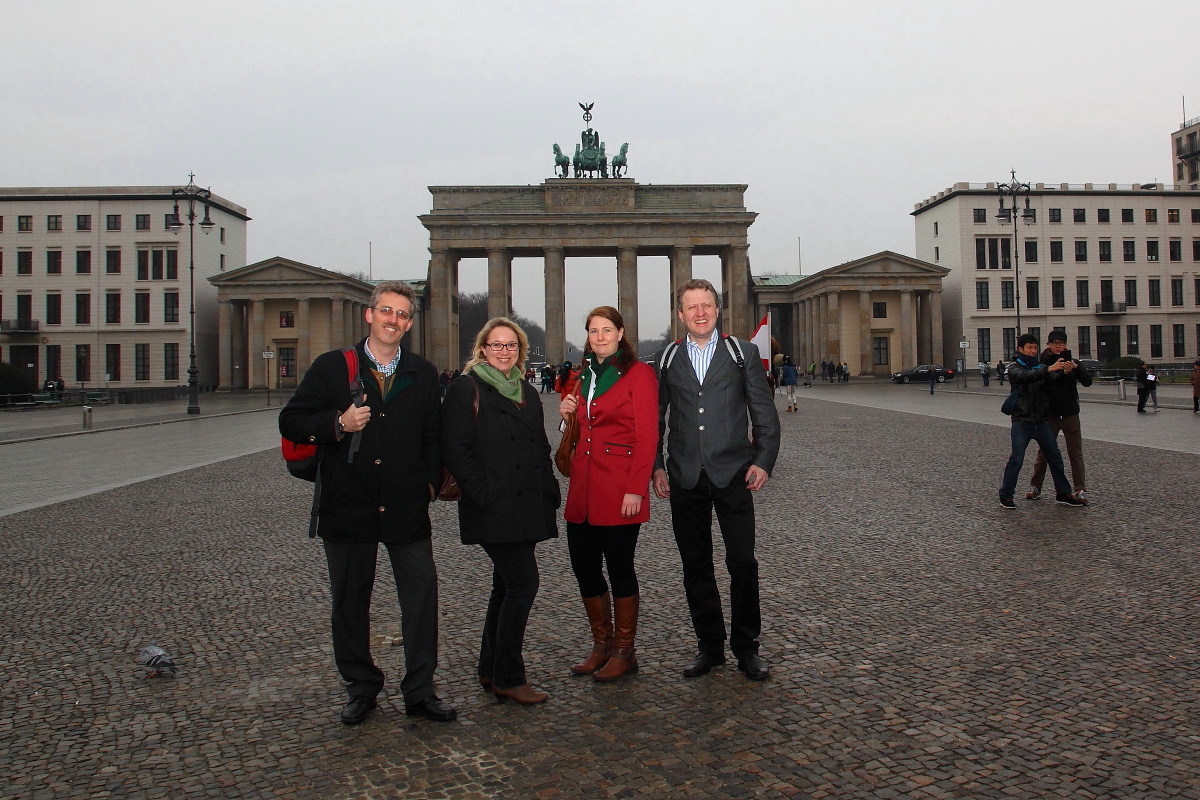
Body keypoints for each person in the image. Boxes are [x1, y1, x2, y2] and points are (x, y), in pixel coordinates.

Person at [278, 280, 456, 726]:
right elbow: (292, 420)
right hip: (348, 503)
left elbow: (433, 437)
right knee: (349, 601)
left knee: (420, 598)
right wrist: (336, 422)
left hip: (404, 505)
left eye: (401, 314)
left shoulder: (422, 372)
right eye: (386, 311)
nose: (393, 320)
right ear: (369, 315)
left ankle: (419, 689)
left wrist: (429, 486)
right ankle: (361, 687)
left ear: (409, 323)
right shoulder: (332, 367)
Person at [652, 279, 781, 681]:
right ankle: (709, 646)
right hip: (685, 476)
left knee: (742, 563)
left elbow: (763, 412)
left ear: (717, 309)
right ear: (680, 314)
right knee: (696, 566)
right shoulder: (667, 357)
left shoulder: (742, 353)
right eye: (691, 307)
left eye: (706, 305)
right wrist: (655, 464)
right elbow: (655, 419)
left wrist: (763, 460)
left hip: (733, 474)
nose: (700, 313)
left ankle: (746, 647)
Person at [442, 318, 560, 705]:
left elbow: (540, 445)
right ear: (483, 349)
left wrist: (549, 491)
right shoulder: (466, 388)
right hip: (493, 506)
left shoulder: (524, 389)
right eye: (497, 345)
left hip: (525, 504)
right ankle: (509, 675)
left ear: (520, 350)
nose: (504, 351)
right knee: (523, 584)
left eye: (511, 346)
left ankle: (489, 667)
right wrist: (483, 493)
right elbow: (456, 449)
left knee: (504, 586)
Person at [558, 306, 658, 683]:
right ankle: (601, 644)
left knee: (619, 568)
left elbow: (647, 435)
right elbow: (584, 428)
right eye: (593, 331)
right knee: (583, 566)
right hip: (583, 487)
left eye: (606, 330)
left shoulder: (638, 374)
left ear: (620, 333)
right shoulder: (585, 375)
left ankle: (624, 650)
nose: (599, 337)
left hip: (619, 488)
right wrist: (567, 412)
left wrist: (636, 489)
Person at [998, 333, 1085, 510]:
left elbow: (1054, 381)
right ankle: (1006, 495)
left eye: (1035, 348)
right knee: (1017, 458)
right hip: (1022, 420)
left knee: (1054, 456)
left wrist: (1065, 373)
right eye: (1029, 347)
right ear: (1020, 349)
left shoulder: (1041, 367)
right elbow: (1026, 377)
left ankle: (1063, 492)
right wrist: (1049, 369)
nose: (1033, 351)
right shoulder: (1014, 367)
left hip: (1041, 420)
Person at [1025, 331, 1092, 505]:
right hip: (1050, 414)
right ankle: (1035, 486)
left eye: (1061, 343)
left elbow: (1087, 381)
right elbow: (1048, 382)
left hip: (1070, 413)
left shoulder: (1072, 362)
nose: (1057, 346)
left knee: (1075, 453)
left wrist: (1076, 368)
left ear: (1065, 345)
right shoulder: (1043, 363)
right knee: (1044, 452)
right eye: (1054, 343)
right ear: (1048, 344)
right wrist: (1060, 371)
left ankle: (1080, 489)